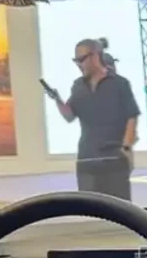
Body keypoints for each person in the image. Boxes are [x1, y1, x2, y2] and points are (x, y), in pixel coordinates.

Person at [50, 37, 140, 200]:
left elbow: (131, 116)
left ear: (95, 56)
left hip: (114, 158)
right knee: (90, 206)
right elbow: (69, 116)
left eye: (81, 59)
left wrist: (126, 148)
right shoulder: (78, 86)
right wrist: (57, 100)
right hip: (87, 159)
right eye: (76, 61)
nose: (78, 64)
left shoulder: (120, 84)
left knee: (118, 207)